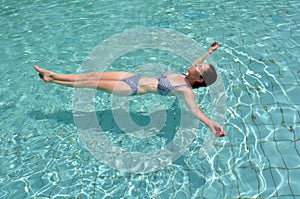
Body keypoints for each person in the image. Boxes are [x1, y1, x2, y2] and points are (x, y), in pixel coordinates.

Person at [34, 41, 226, 137]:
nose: (193, 66)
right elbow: (195, 63)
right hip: (133, 77)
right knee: (93, 75)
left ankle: (52, 78)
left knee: (89, 84)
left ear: (199, 78)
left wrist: (210, 124)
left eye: (198, 68)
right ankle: (54, 76)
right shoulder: (186, 75)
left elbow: (195, 111)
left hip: (130, 88)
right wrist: (208, 52)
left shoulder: (185, 89)